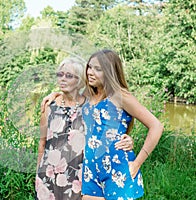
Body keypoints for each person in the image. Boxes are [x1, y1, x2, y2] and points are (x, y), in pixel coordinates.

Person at [36, 57, 134, 200]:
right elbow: (42, 143)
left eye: (69, 76)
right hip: (48, 175)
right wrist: (38, 175)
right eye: (60, 74)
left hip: (78, 177)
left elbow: (108, 131)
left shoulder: (90, 106)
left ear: (80, 81)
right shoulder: (48, 106)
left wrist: (127, 140)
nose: (63, 79)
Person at [81, 49, 163, 199]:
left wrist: (137, 163)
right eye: (89, 67)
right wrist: (54, 95)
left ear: (109, 72)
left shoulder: (120, 96)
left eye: (97, 69)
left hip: (117, 168)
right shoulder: (87, 95)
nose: (90, 72)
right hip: (90, 169)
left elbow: (156, 126)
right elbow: (66, 97)